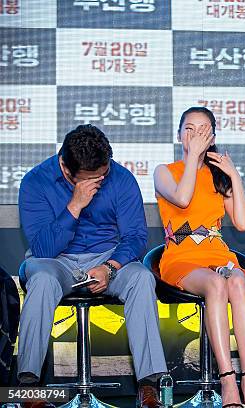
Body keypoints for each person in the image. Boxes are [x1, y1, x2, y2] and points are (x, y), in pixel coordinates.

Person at [18, 124, 167, 408]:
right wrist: (75, 205)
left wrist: (110, 267)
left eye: (103, 174)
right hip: (56, 261)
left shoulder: (121, 178)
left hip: (109, 258)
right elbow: (43, 249)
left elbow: (135, 237)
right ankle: (29, 390)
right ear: (65, 168)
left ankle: (149, 386)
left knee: (142, 278)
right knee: (42, 279)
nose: (99, 182)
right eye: (91, 179)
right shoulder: (36, 181)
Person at [154, 107, 245, 408]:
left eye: (203, 130)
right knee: (216, 284)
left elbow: (242, 223)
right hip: (181, 257)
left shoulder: (218, 176)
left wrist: (235, 177)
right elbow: (183, 198)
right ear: (179, 135)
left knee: (238, 281)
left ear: (212, 136)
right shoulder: (165, 171)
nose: (196, 135)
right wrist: (193, 158)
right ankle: (227, 379)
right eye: (189, 129)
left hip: (217, 254)